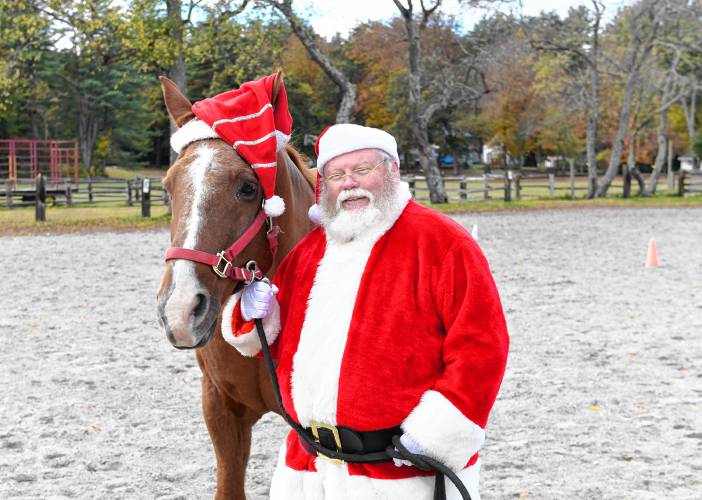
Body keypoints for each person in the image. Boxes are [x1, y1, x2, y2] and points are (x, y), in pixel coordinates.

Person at [221, 123, 509, 500]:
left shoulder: (444, 243)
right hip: (307, 469)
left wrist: (439, 434)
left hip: (400, 474)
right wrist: (252, 312)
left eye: (363, 170)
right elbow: (278, 344)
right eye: (337, 175)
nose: (350, 184)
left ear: (393, 171)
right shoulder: (307, 254)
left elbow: (482, 348)